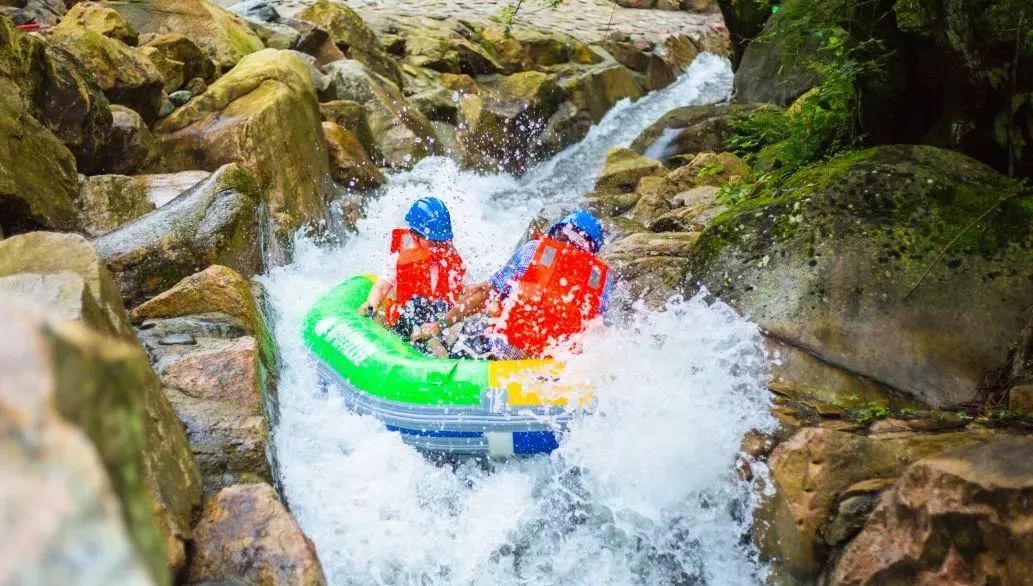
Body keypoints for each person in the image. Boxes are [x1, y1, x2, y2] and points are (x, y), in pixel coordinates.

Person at [412, 210, 611, 359]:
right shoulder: (602, 280)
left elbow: (487, 295)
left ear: (557, 232)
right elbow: (593, 326)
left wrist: (439, 325)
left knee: (472, 326)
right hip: (555, 366)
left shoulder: (535, 250)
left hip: (506, 354)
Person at [359, 197, 467, 340]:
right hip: (404, 324)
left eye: (441, 241)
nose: (437, 245)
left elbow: (468, 295)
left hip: (436, 326)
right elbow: (380, 288)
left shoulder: (453, 263)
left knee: (443, 307)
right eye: (432, 240)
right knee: (418, 304)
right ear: (415, 235)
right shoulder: (398, 259)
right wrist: (372, 305)